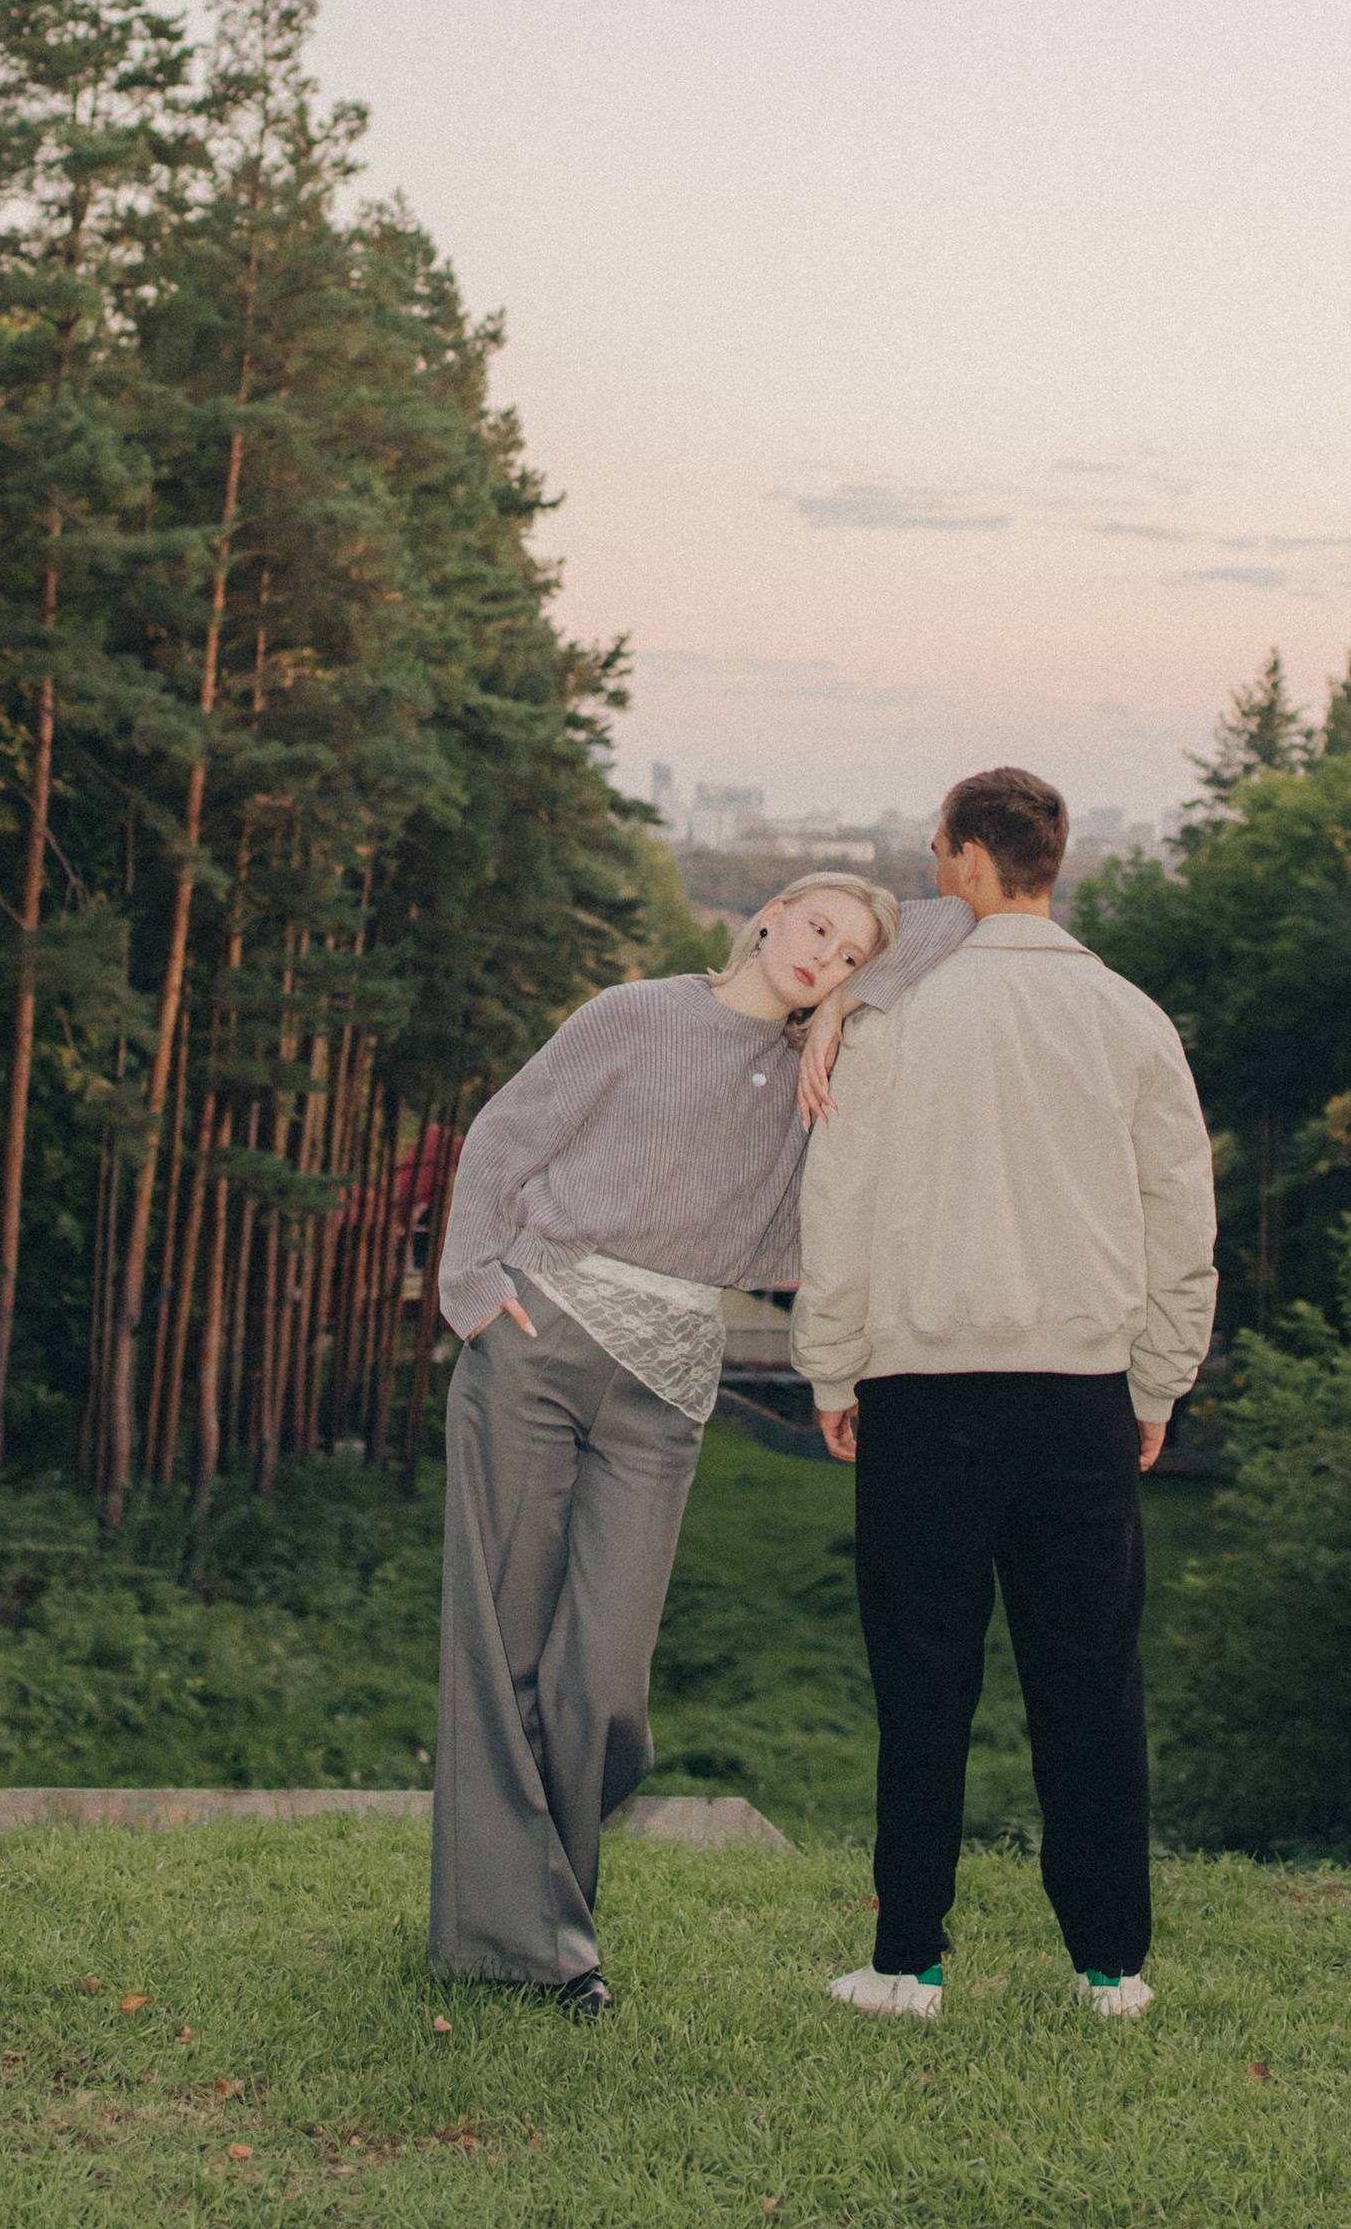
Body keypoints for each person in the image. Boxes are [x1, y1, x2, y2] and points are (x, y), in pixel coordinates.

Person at [428, 868, 963, 2016]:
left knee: (605, 1680)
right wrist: (471, 1286)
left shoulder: (816, 1080)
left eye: (852, 951)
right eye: (816, 924)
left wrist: (844, 1013)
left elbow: (956, 920)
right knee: (501, 1649)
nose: (826, 951)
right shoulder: (633, 1013)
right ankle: (546, 1947)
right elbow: (505, 1134)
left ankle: (535, 1917)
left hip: (667, 1381)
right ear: (767, 913)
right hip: (540, 1335)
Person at [790, 766, 1216, 2024]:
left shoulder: (894, 1021)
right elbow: (1176, 1218)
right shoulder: (1133, 1018)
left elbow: (840, 1204)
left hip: (924, 1386)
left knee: (923, 1678)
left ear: (971, 858)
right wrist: (1160, 1380)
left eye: (938, 848)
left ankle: (908, 1963)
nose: (931, 866)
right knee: (1090, 1678)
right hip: (1081, 1389)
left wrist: (830, 1361)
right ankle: (1110, 1968)